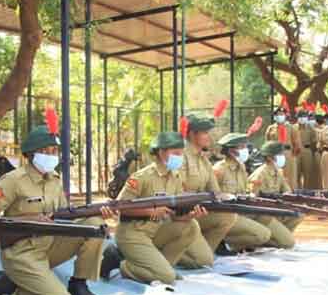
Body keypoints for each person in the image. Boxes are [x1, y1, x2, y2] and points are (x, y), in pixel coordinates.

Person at [0, 113, 112, 295]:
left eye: (55, 150)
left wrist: (96, 212)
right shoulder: (13, 180)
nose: (52, 155)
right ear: (32, 153)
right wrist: (27, 220)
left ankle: (79, 286)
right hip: (22, 252)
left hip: (50, 246)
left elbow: (65, 216)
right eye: (47, 151)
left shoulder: (54, 179)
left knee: (94, 225)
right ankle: (17, 292)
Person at [100, 128, 206, 285]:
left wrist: (189, 215)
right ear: (161, 152)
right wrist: (151, 211)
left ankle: (163, 267)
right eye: (175, 153)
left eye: (181, 153)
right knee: (167, 278)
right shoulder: (142, 177)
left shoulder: (176, 177)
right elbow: (120, 207)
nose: (180, 158)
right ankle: (121, 264)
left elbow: (175, 214)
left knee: (191, 226)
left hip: (155, 231)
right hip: (133, 233)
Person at [177, 115, 237, 268]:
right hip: (179, 214)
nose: (208, 137)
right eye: (205, 133)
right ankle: (165, 253)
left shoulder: (203, 158)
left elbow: (214, 190)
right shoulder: (180, 155)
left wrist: (230, 198)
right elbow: (178, 191)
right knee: (201, 261)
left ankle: (203, 252)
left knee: (228, 216)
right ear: (192, 134)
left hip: (198, 211)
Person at [213, 133, 271, 252]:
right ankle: (222, 241)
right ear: (230, 150)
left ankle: (239, 242)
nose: (245, 150)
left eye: (245, 146)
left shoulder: (242, 167)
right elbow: (213, 194)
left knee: (267, 213)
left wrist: (251, 194)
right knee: (262, 235)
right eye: (241, 147)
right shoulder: (219, 169)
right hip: (226, 215)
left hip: (241, 210)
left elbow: (245, 190)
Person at [247, 142, 303, 248]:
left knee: (299, 213)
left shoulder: (278, 171)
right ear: (269, 157)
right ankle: (267, 241)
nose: (283, 157)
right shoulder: (259, 175)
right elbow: (252, 200)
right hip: (263, 215)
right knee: (288, 243)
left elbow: (287, 191)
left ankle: (277, 237)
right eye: (279, 154)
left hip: (275, 211)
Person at [265, 105, 301, 189]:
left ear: (285, 115)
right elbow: (267, 142)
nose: (279, 116)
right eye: (278, 114)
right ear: (275, 116)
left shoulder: (291, 127)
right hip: (275, 154)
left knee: (289, 176)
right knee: (275, 175)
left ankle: (291, 193)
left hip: (288, 153)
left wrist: (292, 155)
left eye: (282, 114)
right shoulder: (271, 128)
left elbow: (297, 143)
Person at [296, 109, 318, 189]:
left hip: (307, 150)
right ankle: (297, 190)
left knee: (308, 173)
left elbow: (314, 141)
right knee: (296, 173)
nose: (302, 118)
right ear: (297, 118)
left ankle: (306, 191)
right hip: (296, 151)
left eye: (304, 116)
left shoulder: (310, 128)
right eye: (300, 116)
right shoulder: (294, 128)